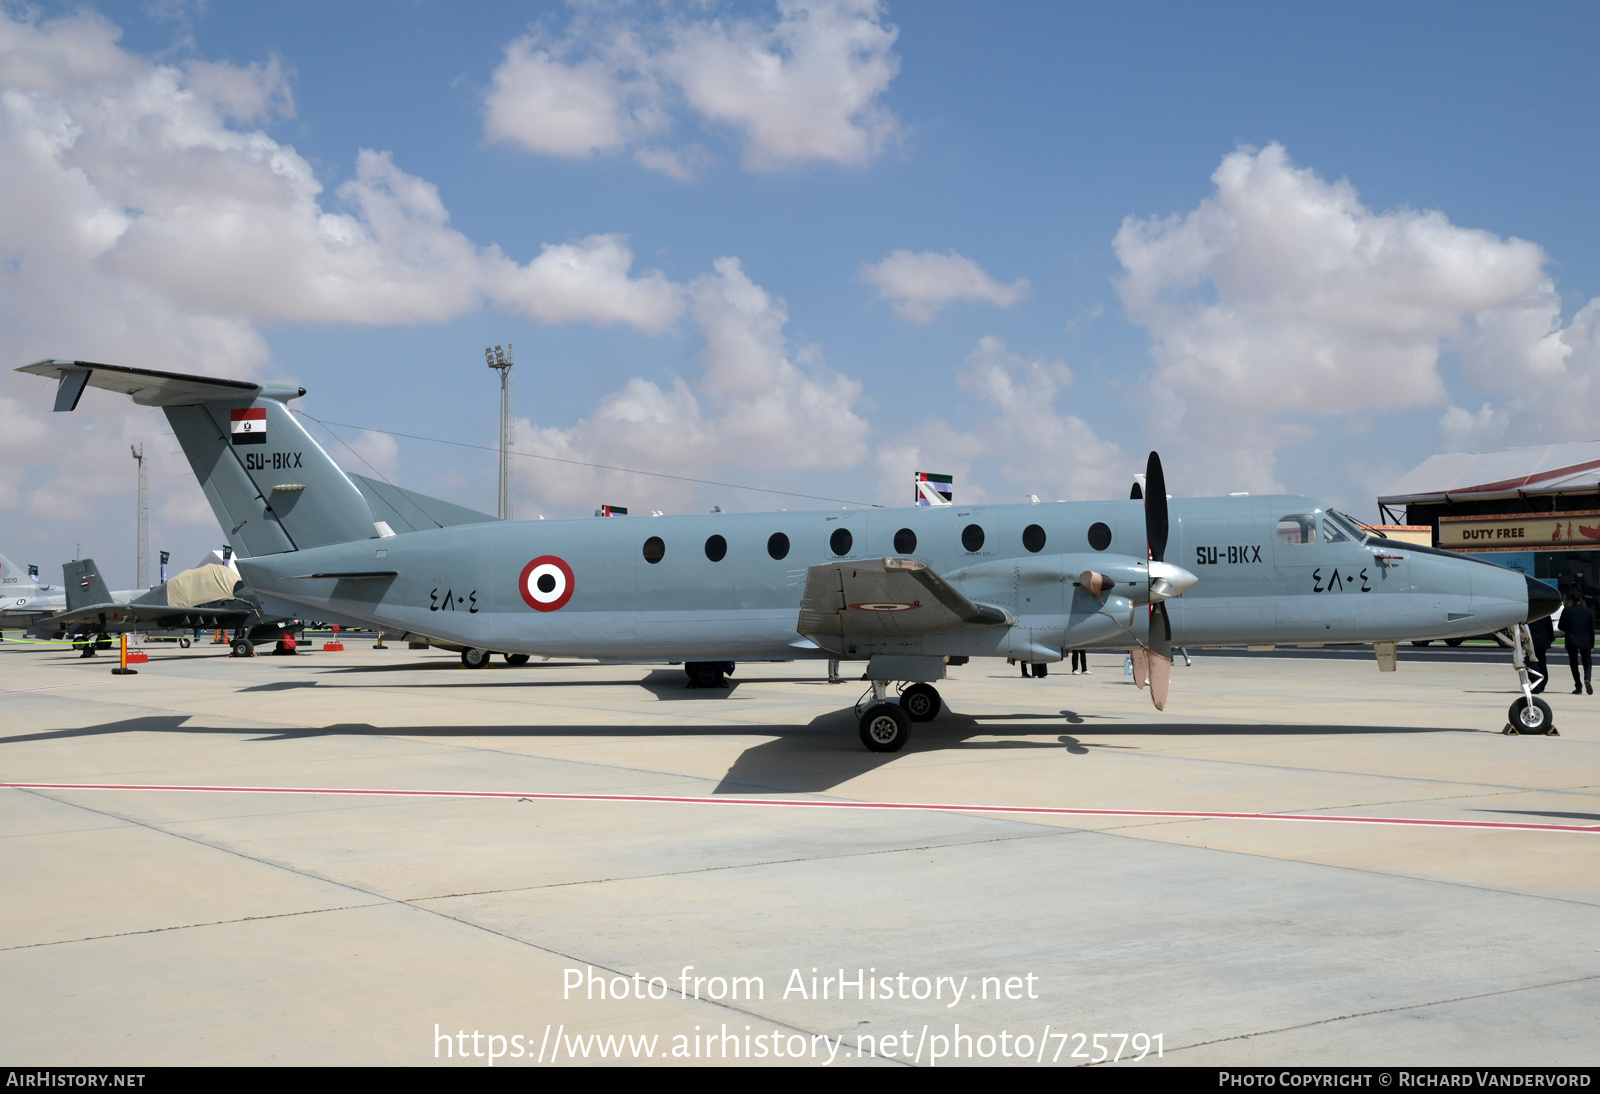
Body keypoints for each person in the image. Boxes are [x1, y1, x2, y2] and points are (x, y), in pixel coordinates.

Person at [1557, 589, 1594, 695]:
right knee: (1587, 663)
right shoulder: (1588, 612)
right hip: (1585, 640)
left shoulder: (1567, 611)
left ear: (1571, 600)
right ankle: (1587, 678)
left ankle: (1578, 685)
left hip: (1571, 640)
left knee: (1574, 663)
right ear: (1581, 600)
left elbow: (1560, 626)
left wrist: (1570, 628)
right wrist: (1591, 643)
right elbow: (1591, 630)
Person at [1527, 612, 1553, 695]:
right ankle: (1542, 682)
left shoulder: (1528, 614)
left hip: (1531, 640)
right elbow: (1549, 627)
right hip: (1543, 639)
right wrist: (1550, 638)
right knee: (1541, 661)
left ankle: (1537, 682)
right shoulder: (1544, 612)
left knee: (1531, 661)